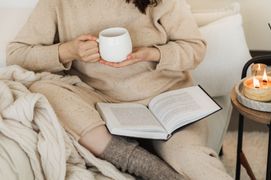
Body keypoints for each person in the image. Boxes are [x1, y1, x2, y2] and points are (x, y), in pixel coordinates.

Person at [7, 0, 232, 179]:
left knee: (191, 158)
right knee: (44, 90)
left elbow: (195, 48)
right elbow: (16, 55)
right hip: (99, 101)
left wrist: (151, 53)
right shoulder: (57, 2)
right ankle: (148, 168)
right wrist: (68, 51)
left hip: (167, 99)